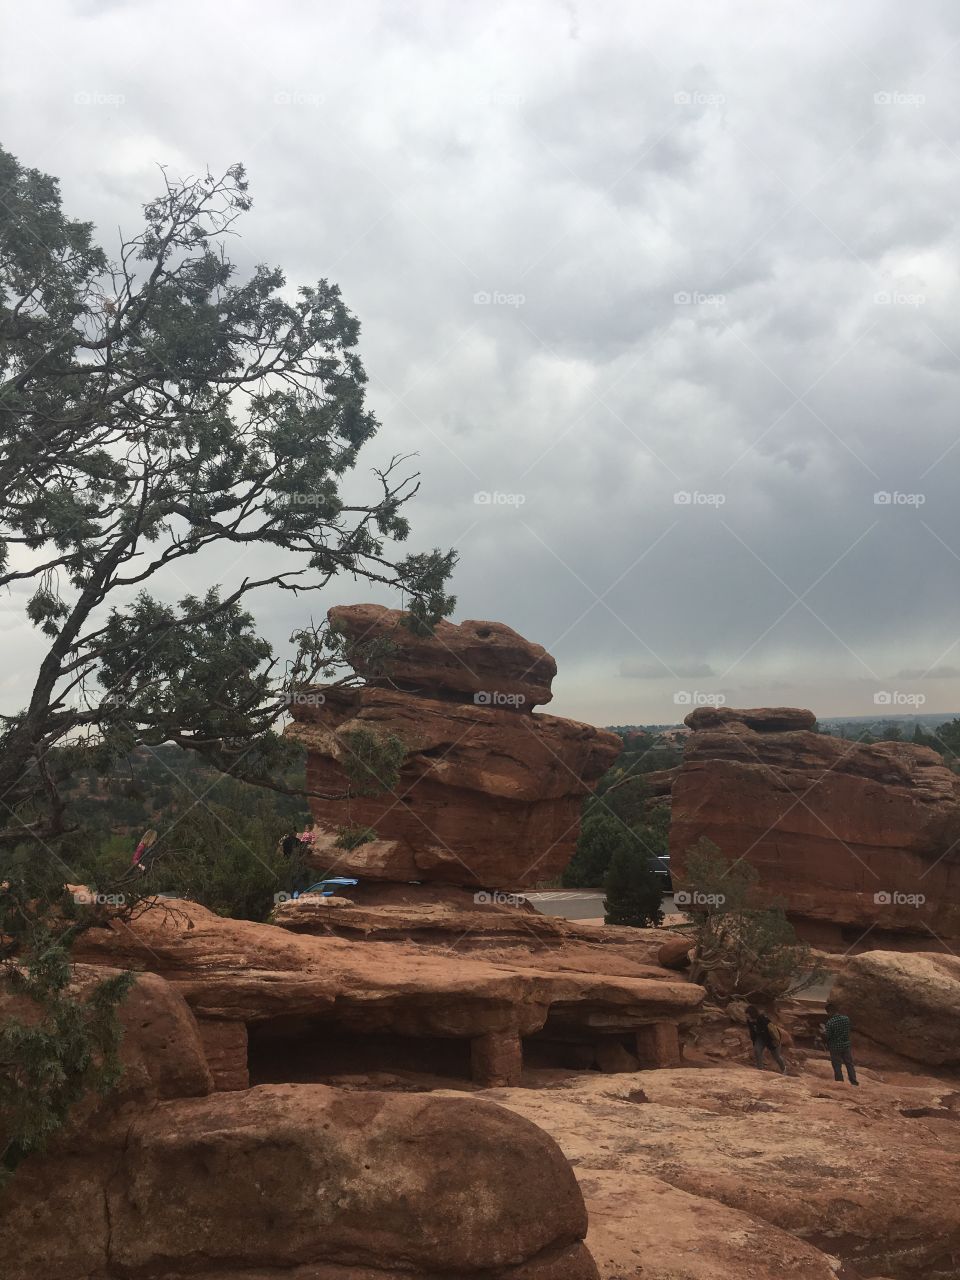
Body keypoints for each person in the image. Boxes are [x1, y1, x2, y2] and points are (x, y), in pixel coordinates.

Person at [821, 1000, 858, 1085]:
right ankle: (854, 1081)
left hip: (835, 1047)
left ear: (829, 1012)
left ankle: (839, 1082)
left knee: (837, 1065)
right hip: (846, 1045)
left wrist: (823, 1033)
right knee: (849, 1064)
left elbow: (828, 1036)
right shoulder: (846, 1019)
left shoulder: (830, 1023)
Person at [745, 1004, 787, 1074]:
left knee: (776, 1056)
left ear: (752, 1014)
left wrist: (776, 1041)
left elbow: (773, 1030)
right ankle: (760, 1070)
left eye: (748, 1015)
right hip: (761, 1038)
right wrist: (754, 1042)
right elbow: (752, 1033)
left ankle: (784, 1069)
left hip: (771, 1039)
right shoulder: (749, 1021)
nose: (747, 1017)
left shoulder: (763, 1019)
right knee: (757, 1050)